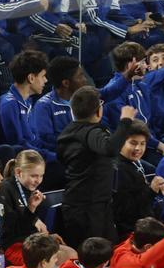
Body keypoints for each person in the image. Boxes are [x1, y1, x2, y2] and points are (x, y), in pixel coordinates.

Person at [58, 85, 139, 248]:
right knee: (97, 256)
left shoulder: (66, 133)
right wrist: (125, 121)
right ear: (98, 111)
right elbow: (110, 148)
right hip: (90, 210)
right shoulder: (91, 132)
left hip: (82, 206)